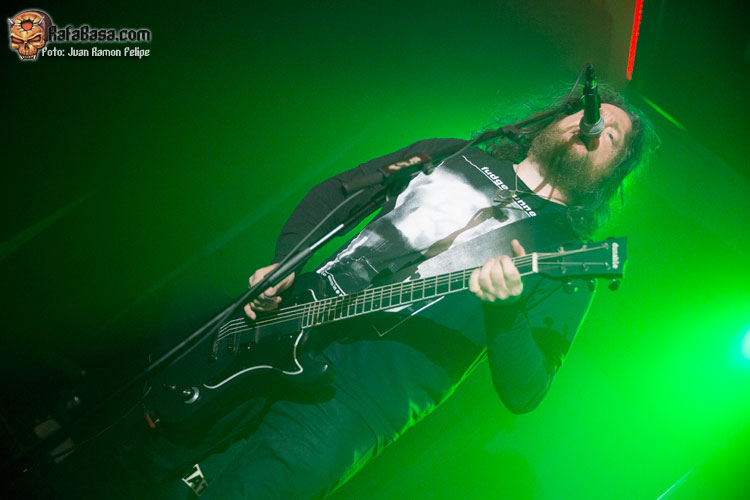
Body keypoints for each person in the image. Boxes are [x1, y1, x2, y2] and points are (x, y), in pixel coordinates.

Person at [43, 85, 654, 500]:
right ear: (560, 114)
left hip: (354, 403)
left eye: (614, 136)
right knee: (128, 465)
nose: (595, 126)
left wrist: (507, 311)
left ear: (614, 171)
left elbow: (526, 391)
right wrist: (284, 266)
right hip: (279, 327)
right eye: (591, 112)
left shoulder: (566, 259)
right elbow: (338, 191)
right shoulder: (455, 153)